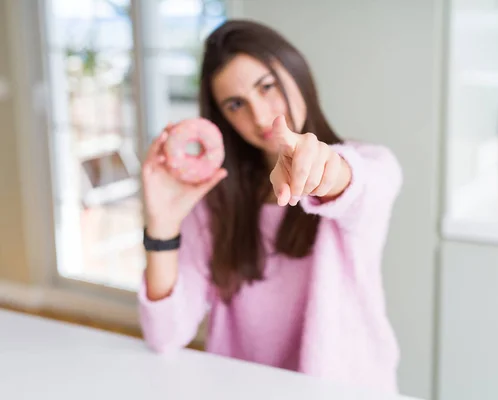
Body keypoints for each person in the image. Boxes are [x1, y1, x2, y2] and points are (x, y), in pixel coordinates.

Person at [138, 19, 403, 393]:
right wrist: (162, 226)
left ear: (296, 72)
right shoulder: (216, 200)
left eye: (267, 87)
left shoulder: (372, 164)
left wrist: (321, 170)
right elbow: (164, 335)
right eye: (236, 104)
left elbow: (352, 184)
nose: (260, 117)